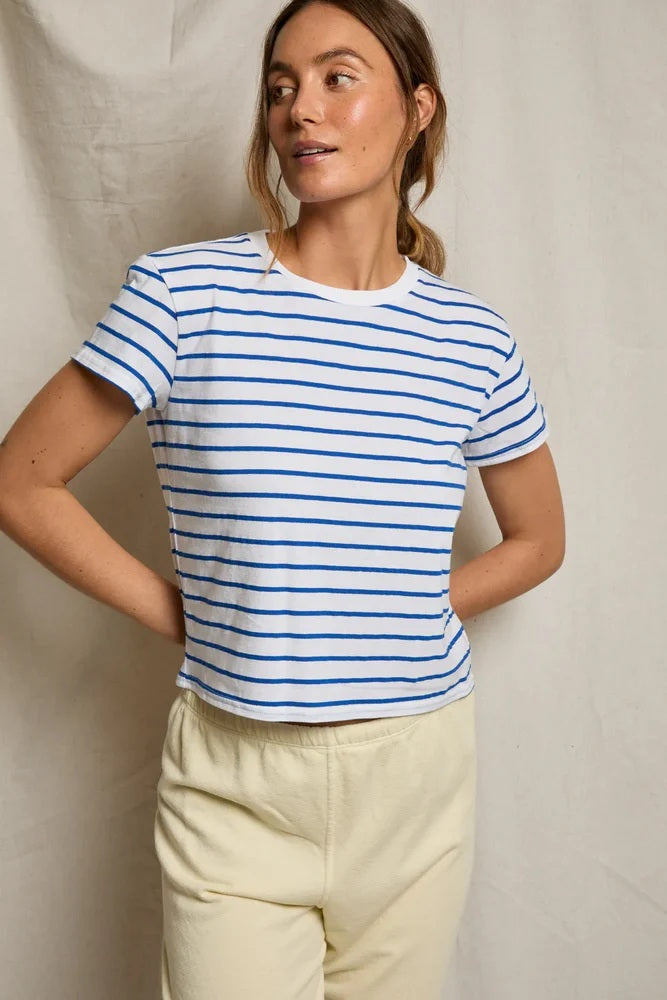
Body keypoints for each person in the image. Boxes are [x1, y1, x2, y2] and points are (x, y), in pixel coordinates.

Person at [0, 1, 565, 997]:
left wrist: (413, 606)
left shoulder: (472, 339)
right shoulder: (182, 296)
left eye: (338, 78)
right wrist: (185, 611)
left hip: (416, 771)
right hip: (236, 778)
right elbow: (23, 479)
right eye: (280, 87)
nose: (301, 109)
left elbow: (538, 539)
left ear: (418, 108)